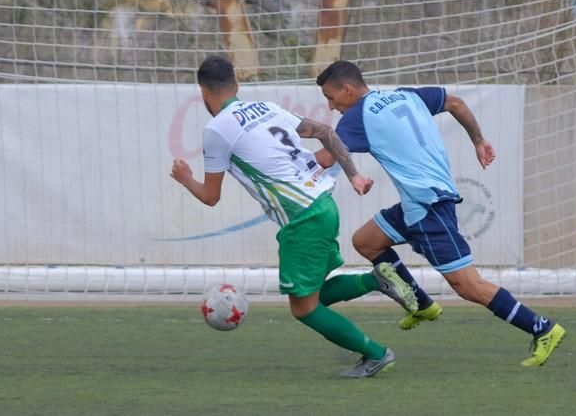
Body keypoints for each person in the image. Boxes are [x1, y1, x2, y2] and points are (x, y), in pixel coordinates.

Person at [170, 55, 418, 378]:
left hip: (302, 218)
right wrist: (354, 174)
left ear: (204, 93)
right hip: (324, 205)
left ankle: (376, 352)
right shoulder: (268, 108)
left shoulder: (217, 130)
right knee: (313, 295)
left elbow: (211, 196)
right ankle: (378, 279)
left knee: (304, 309)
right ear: (238, 85)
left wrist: (184, 177)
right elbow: (326, 131)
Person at [314, 60, 566, 367]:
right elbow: (456, 102)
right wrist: (478, 140)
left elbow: (326, 159)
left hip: (428, 207)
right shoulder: (406, 95)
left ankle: (542, 328)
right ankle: (421, 304)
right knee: (366, 241)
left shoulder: (357, 116)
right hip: (416, 204)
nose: (330, 105)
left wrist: (277, 154)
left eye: (331, 97)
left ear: (348, 89)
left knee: (468, 286)